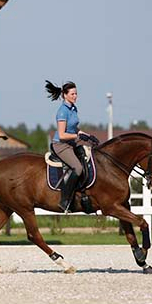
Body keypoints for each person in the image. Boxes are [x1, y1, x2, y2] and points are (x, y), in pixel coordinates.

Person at [45, 80, 97, 212]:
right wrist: (78, 136)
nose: (75, 96)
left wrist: (85, 134)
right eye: (72, 94)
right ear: (65, 95)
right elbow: (62, 135)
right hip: (61, 145)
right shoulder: (62, 111)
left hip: (72, 143)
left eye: (76, 94)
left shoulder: (73, 108)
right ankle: (65, 200)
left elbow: (73, 127)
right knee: (78, 168)